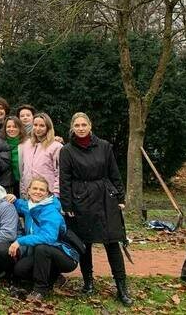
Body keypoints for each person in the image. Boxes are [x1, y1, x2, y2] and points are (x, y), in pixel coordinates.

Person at [60, 112, 132, 305]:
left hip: (104, 198)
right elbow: (64, 180)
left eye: (84, 124)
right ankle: (88, 282)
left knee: (112, 242)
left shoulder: (105, 146)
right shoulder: (66, 151)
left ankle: (121, 287)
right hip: (80, 199)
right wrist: (67, 205)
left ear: (90, 126)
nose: (81, 128)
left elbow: (114, 173)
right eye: (77, 125)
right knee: (85, 244)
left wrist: (120, 197)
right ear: (72, 128)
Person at [8, 177, 79, 301]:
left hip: (65, 255)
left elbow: (48, 238)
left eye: (42, 190)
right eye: (34, 188)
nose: (38, 192)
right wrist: (11, 198)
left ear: (47, 193)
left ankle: (40, 290)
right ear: (28, 191)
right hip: (43, 254)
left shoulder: (51, 210)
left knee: (42, 248)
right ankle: (54, 277)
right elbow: (19, 204)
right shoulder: (30, 206)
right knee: (20, 269)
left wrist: (20, 241)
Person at [20, 113, 62, 198]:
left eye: (42, 125)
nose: (38, 128)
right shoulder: (27, 145)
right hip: (29, 195)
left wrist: (56, 194)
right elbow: (24, 170)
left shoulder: (56, 146)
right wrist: (23, 191)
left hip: (48, 195)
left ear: (48, 128)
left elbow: (60, 173)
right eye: (35, 125)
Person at [1, 116, 26, 197]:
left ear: (20, 128)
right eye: (8, 127)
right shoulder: (0, 143)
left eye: (15, 127)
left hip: (23, 183)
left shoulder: (27, 143)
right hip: (6, 184)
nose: (11, 129)